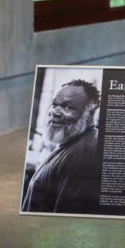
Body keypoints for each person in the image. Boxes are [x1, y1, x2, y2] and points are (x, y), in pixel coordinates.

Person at [21, 79, 101, 214]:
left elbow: (68, 217)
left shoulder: (84, 155)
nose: (54, 112)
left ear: (90, 112)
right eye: (54, 105)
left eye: (68, 107)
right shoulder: (71, 143)